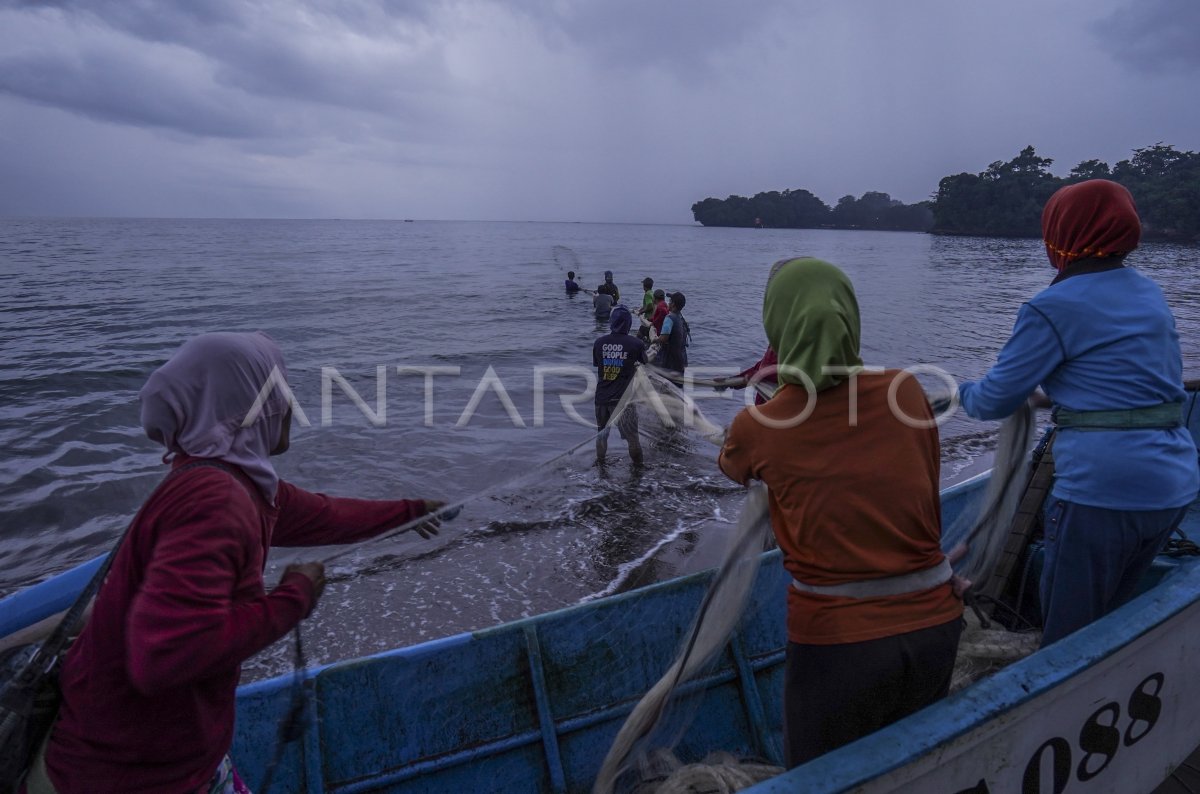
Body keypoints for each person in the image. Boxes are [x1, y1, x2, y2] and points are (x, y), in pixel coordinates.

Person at [27, 332, 449, 793]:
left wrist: (409, 512)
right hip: (130, 776)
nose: (291, 404)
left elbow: (322, 514)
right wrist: (294, 598)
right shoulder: (215, 500)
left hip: (163, 758)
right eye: (279, 391)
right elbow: (166, 657)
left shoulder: (226, 479)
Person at [718, 257, 961, 767]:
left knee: (817, 775)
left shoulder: (757, 425)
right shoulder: (906, 389)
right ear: (850, 316)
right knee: (914, 768)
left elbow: (733, 467)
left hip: (838, 642)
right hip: (938, 622)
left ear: (776, 324)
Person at [956, 179, 1199, 647]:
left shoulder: (1052, 306)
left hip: (1104, 490)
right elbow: (1132, 383)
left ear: (1060, 235)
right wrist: (1054, 397)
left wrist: (955, 391)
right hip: (1173, 485)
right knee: (1110, 621)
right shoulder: (1149, 294)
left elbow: (991, 401)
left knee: (1067, 639)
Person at [593, 306, 646, 466]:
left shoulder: (599, 342)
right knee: (632, 438)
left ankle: (601, 465)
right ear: (628, 324)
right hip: (623, 401)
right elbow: (645, 361)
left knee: (601, 434)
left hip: (601, 399)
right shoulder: (635, 343)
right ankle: (638, 470)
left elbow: (598, 364)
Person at [655, 292, 689, 375]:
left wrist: (654, 340)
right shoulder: (681, 318)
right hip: (682, 358)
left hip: (670, 360)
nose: (668, 303)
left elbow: (663, 338)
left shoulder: (669, 318)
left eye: (670, 301)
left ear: (673, 304)